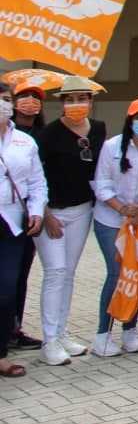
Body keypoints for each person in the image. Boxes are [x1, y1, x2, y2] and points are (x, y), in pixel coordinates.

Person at [35, 75, 107, 366]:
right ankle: (49, 341)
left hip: (82, 210)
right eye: (70, 99)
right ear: (62, 103)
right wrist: (45, 214)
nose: (76, 104)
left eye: (82, 98)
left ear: (90, 101)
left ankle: (62, 333)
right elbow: (35, 177)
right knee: (55, 272)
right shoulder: (48, 134)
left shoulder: (99, 129)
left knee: (69, 273)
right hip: (51, 213)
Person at [90, 97, 138, 357]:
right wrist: (122, 209)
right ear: (130, 120)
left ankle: (130, 330)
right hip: (110, 219)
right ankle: (103, 334)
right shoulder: (111, 146)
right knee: (117, 272)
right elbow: (101, 184)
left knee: (136, 271)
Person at [0, 82, 46, 378]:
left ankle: (1, 353)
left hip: (11, 223)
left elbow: (37, 182)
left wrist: (37, 211)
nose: (2, 104)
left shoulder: (25, 142)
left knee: (6, 290)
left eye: (6, 99)